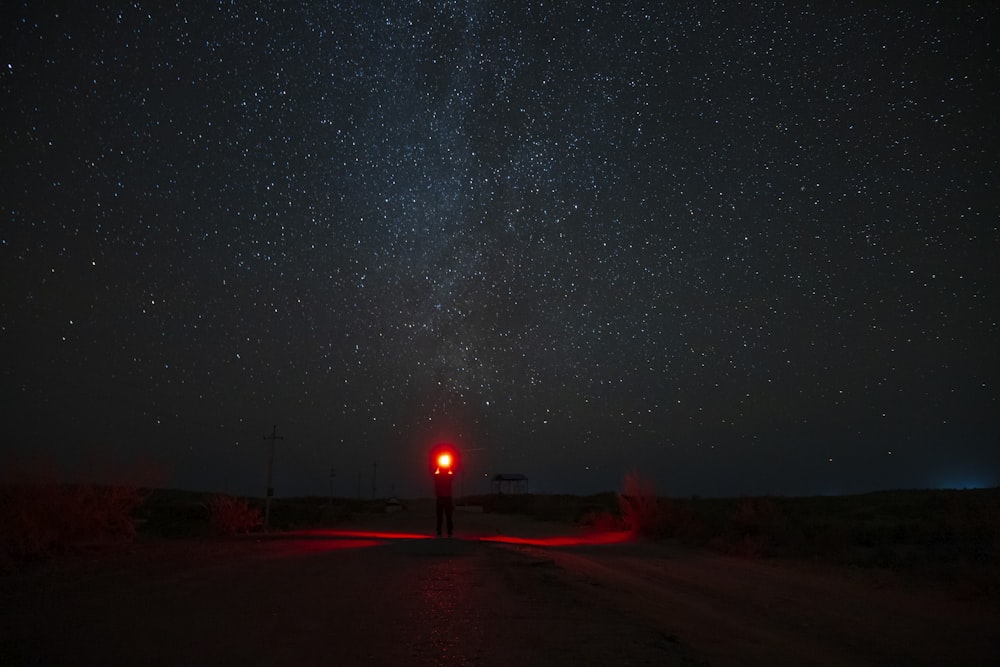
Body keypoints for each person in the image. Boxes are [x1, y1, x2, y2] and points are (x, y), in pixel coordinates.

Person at [432, 451, 456, 537]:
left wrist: (439, 466)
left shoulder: (438, 477)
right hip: (447, 498)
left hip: (441, 498)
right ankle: (449, 531)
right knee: (448, 516)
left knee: (440, 516)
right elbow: (452, 472)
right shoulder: (449, 477)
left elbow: (435, 473)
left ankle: (439, 531)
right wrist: (448, 466)